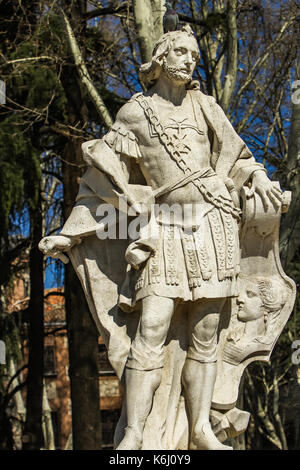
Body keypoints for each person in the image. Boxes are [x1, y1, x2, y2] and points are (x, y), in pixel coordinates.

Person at [39, 25, 282, 450]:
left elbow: (239, 155)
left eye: (194, 54)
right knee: (150, 327)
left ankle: (202, 429)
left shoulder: (205, 106)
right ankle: (134, 433)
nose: (191, 60)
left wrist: (259, 175)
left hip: (214, 220)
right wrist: (71, 232)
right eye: (182, 52)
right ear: (162, 58)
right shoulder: (135, 113)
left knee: (206, 332)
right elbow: (101, 179)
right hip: (164, 225)